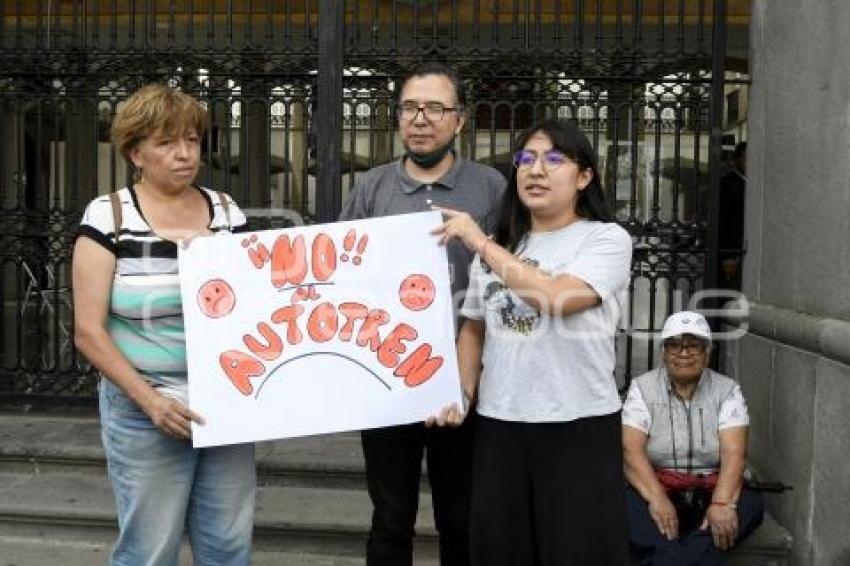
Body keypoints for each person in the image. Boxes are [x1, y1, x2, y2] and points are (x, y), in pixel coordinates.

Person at [431, 118, 633, 565]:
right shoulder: (505, 245)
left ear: (584, 177)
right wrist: (461, 392)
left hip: (578, 425)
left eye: (553, 160)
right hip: (501, 425)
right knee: (501, 551)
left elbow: (556, 297)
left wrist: (481, 244)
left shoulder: (606, 240)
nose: (535, 170)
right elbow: (474, 328)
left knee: (578, 553)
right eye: (525, 160)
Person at [72, 84, 256, 565]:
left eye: (192, 141)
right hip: (143, 409)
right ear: (136, 152)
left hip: (224, 406)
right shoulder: (108, 216)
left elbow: (253, 305)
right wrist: (151, 402)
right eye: (167, 143)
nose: (184, 154)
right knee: (149, 552)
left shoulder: (226, 211)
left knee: (228, 548)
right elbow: (88, 331)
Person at [338, 62, 505, 566]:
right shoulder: (371, 187)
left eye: (435, 108)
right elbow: (341, 271)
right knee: (391, 517)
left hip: (467, 378)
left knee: (462, 516)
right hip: (388, 378)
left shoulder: (492, 187)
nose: (420, 119)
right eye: (410, 108)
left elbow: (512, 271)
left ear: (460, 120)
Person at [622, 310, 764, 565]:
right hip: (659, 488)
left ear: (707, 352)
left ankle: (670, 559)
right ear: (664, 352)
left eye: (694, 345)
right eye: (675, 345)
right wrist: (657, 498)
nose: (684, 352)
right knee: (624, 504)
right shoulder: (642, 388)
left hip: (711, 490)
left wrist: (722, 503)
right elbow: (631, 451)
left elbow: (734, 454)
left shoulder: (727, 390)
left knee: (751, 505)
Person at [717, 142, 746, 290]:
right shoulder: (728, 184)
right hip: (732, 251)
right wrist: (728, 255)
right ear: (738, 160)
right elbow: (725, 221)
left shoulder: (750, 183)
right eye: (746, 158)